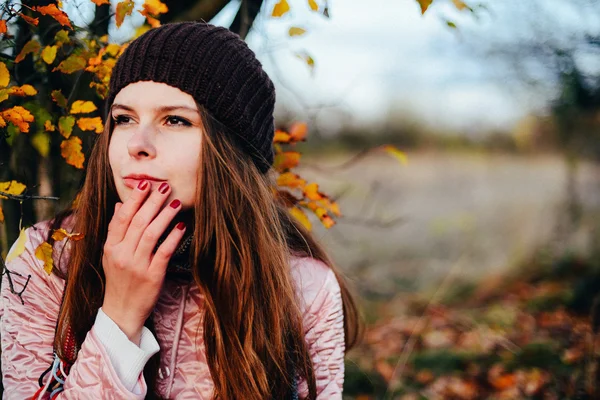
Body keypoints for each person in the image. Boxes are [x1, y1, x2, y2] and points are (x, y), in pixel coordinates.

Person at [0, 21, 361, 399]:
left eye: (175, 120)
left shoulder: (302, 285)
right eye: (124, 119)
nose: (137, 144)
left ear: (232, 152)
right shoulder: (47, 260)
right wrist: (119, 320)